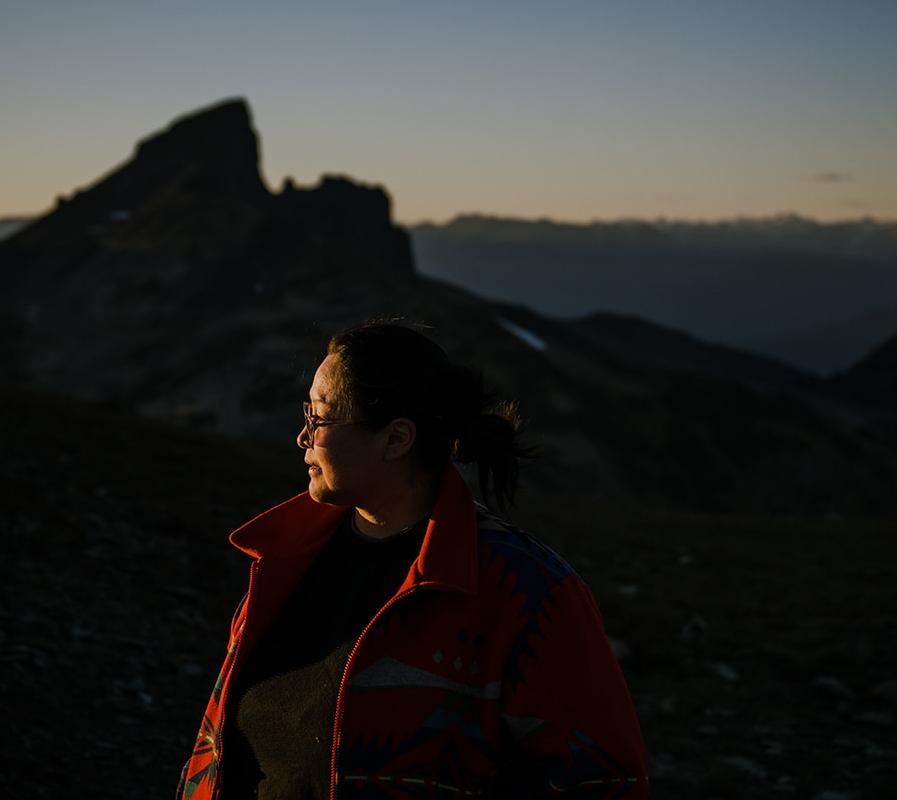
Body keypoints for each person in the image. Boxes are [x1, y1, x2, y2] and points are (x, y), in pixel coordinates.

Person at [177, 321, 648, 799]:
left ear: (396, 439)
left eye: (319, 418)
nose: (302, 437)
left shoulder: (526, 590)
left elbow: (602, 780)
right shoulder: (283, 560)